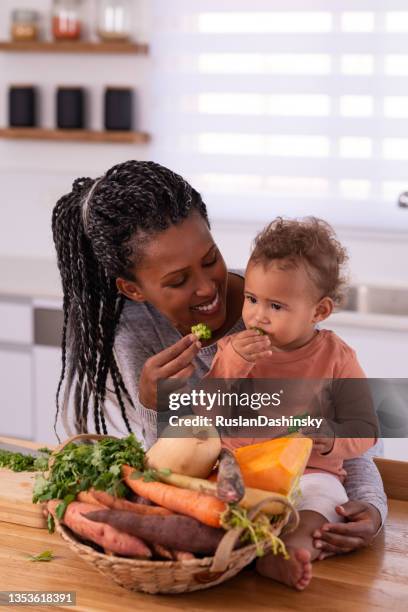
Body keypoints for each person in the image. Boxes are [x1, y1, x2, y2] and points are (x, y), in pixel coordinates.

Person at [51, 159, 387, 564]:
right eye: (178, 281)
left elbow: (351, 442)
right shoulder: (135, 335)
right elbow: (171, 468)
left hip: (314, 484)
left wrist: (371, 509)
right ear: (133, 289)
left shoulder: (282, 306)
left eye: (211, 259)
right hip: (224, 489)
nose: (209, 287)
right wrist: (154, 403)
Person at [204, 217, 379, 589]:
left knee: (322, 510)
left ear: (319, 312)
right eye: (251, 299)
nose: (256, 315)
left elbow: (366, 429)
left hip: (310, 474)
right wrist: (231, 365)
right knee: (207, 508)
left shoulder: (338, 357)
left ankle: (280, 556)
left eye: (276, 306)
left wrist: (332, 438)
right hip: (239, 467)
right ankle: (229, 549)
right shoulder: (233, 351)